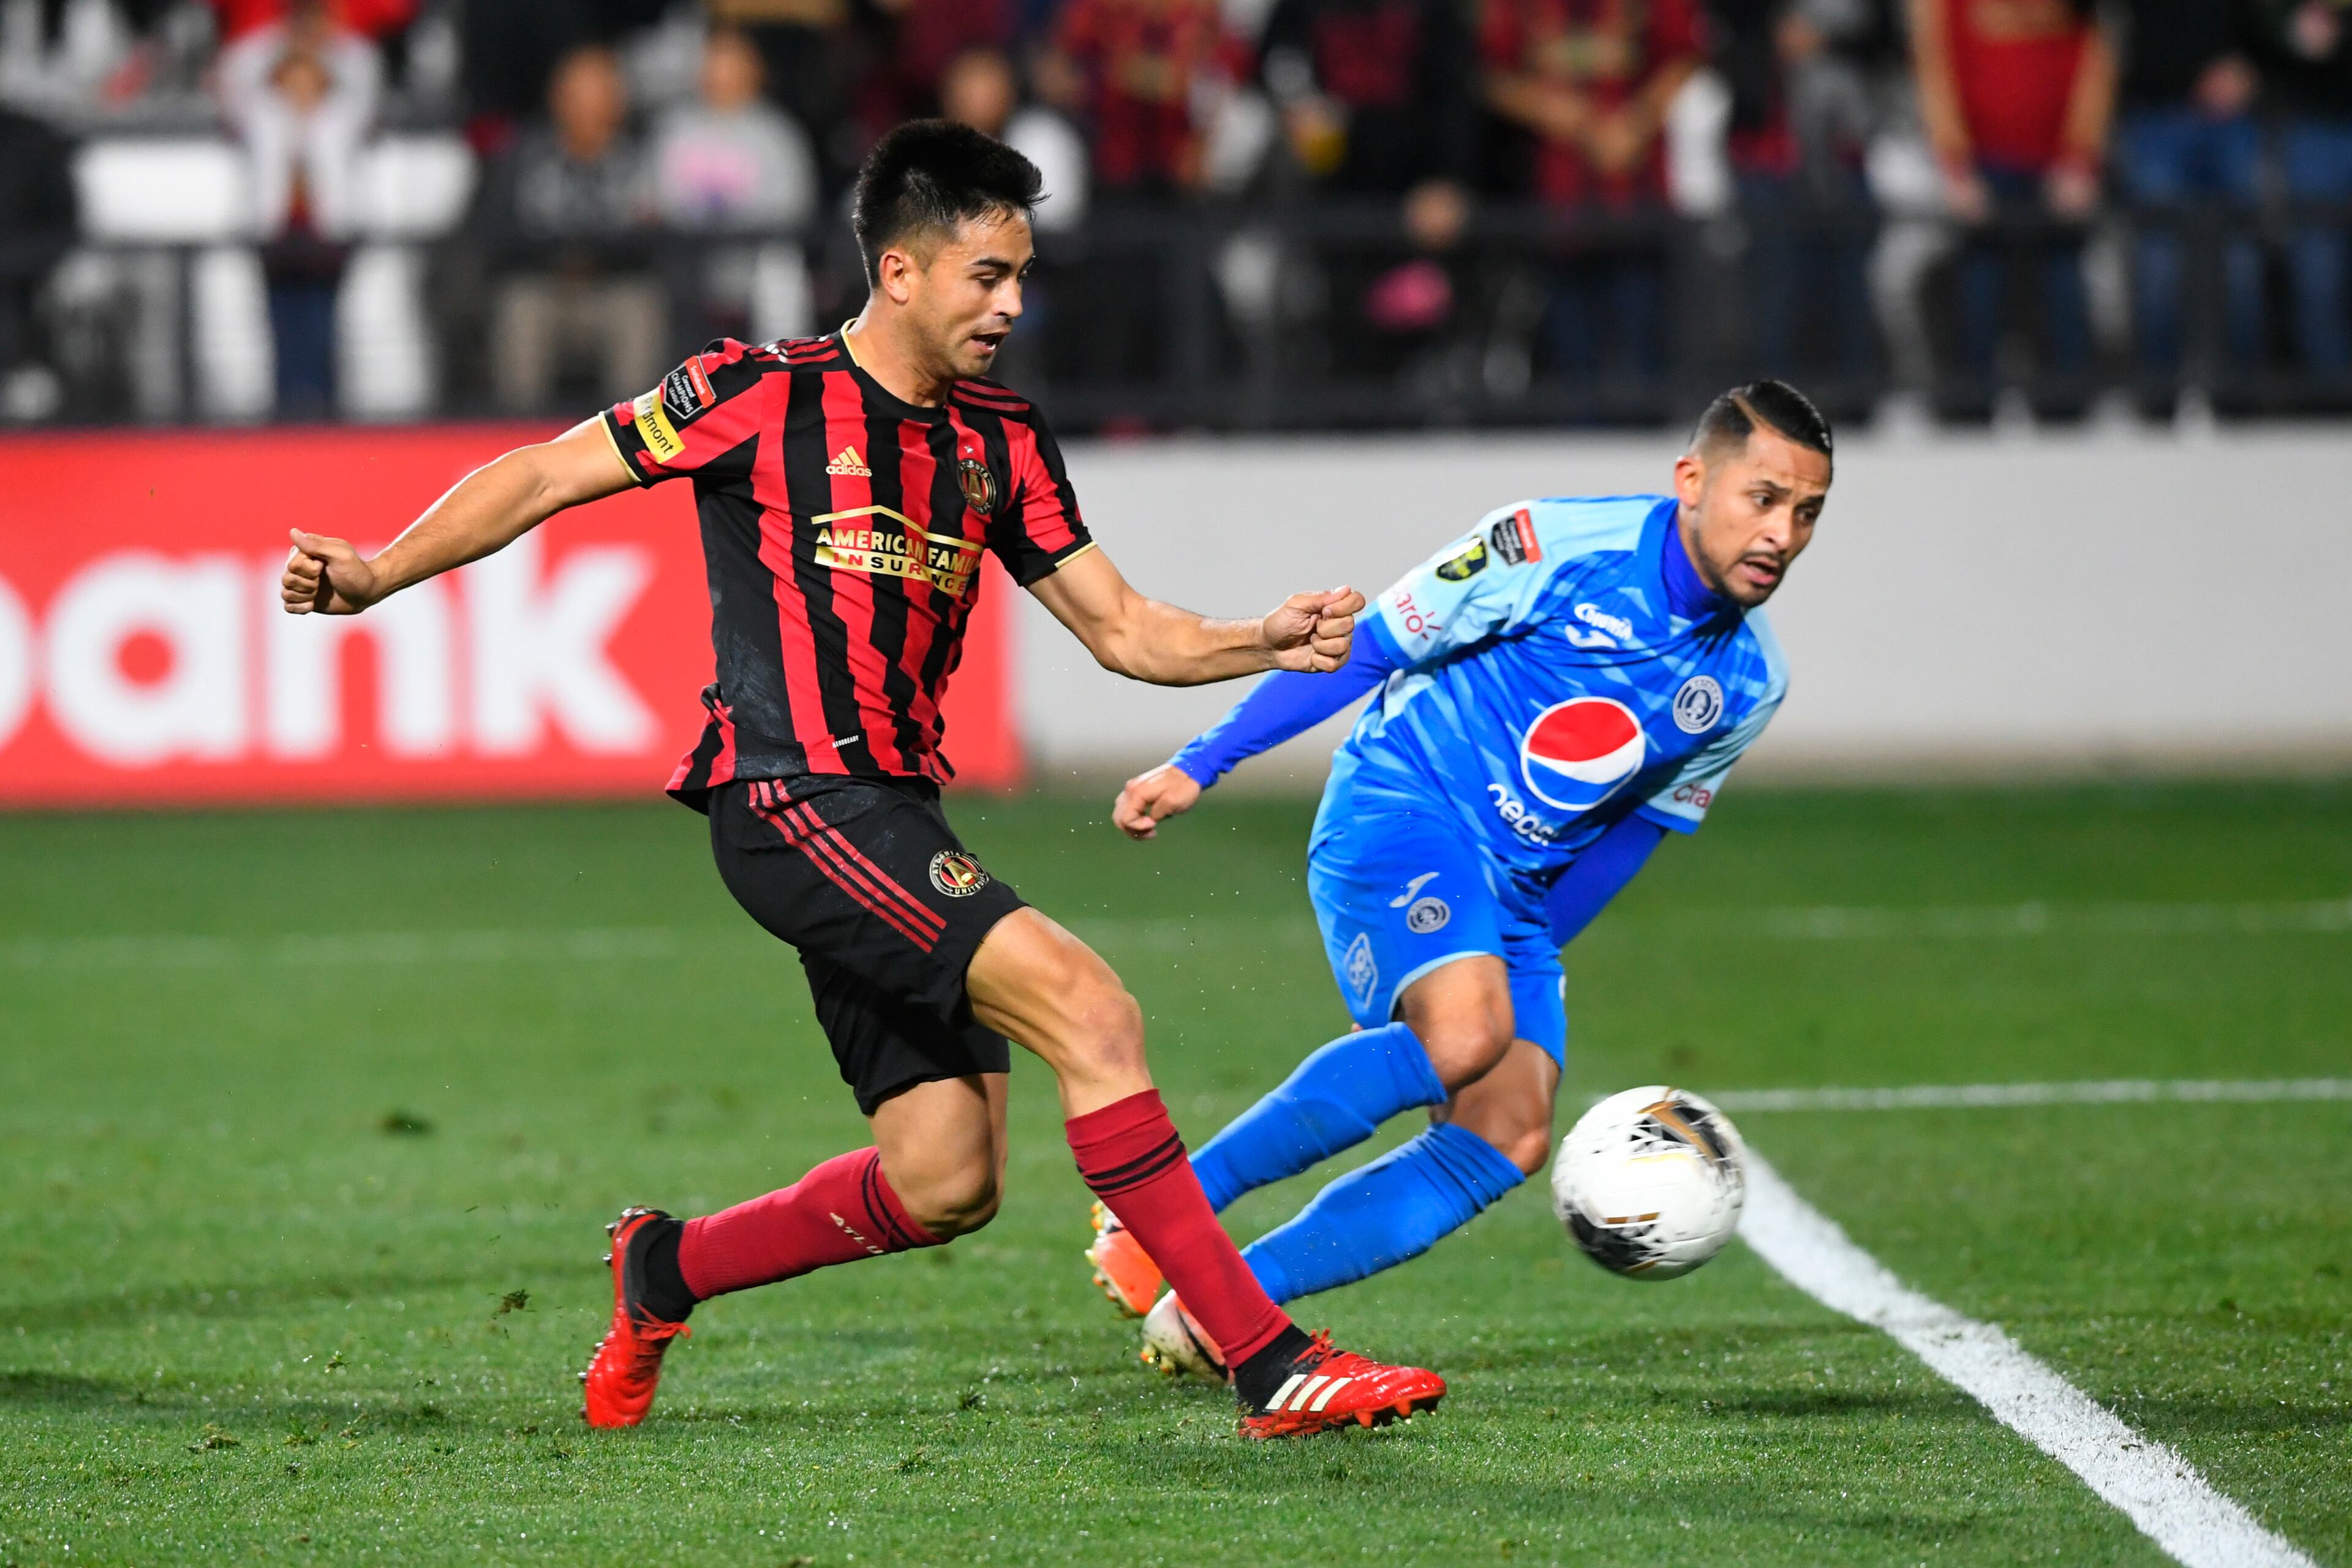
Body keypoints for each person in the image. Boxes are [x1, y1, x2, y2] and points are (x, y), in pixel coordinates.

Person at [278, 121, 1446, 1441]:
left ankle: (665, 1264)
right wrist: (378, 572)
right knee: (1092, 1010)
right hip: (788, 793)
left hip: (896, 810)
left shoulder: (1000, 440)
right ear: (900, 270)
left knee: (948, 1179)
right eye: (986, 276)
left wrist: (1257, 638)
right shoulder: (754, 391)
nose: (1012, 304)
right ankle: (1268, 1359)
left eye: (1021, 277)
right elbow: (548, 471)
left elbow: (1123, 629)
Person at [1088, 381, 1827, 1373]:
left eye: (1808, 512)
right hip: (1403, 801)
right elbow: (1361, 652)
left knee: (1509, 1132)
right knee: (1465, 1033)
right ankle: (1158, 1217)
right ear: (1693, 481)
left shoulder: (1748, 679)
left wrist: (1524, 950)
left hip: (1514, 889)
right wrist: (1200, 764)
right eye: (1764, 497)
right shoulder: (1550, 546)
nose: (1782, 531)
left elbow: (1635, 831)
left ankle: (1224, 1307)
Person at [1480, 0, 1705, 394]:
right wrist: (1556, 113)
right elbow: (1491, 72)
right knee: (1569, 366)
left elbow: (1684, 56)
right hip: (1555, 206)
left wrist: (1636, 121)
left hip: (1637, 201)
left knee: (1642, 358)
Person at [1910, 0, 2116, 415]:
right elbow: (1935, 63)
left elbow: (2097, 57)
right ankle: (1970, 411)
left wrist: (2081, 157)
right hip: (1981, 167)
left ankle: (2068, 410)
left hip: (2059, 168)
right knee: (1978, 294)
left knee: (2061, 293)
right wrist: (1955, 165)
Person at [472, 43, 665, 415]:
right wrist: (562, 257)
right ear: (558, 98)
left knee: (639, 308)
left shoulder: (641, 159)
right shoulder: (526, 157)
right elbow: (498, 234)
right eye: (580, 93)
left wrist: (594, 257)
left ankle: (635, 445)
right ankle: (517, 439)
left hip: (615, 287)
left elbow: (655, 240)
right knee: (520, 307)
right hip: (545, 285)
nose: (590, 106)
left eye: (602, 92)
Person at [217, 0, 380, 417]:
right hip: (275, 224)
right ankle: (284, 410)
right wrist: (285, 50)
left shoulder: (344, 95)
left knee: (325, 322)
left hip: (329, 224)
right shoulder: (263, 104)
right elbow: (235, 81)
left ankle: (327, 409)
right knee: (279, 321)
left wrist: (320, 52)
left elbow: (364, 90)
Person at [2111, 0, 2265, 405]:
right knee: (2158, 263)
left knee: (2240, 261)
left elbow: (2265, 23)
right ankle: (2158, 395)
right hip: (2155, 112)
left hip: (2230, 116)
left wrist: (2247, 68)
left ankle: (2240, 395)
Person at [652, 25, 820, 344]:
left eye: (732, 62)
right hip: (688, 264)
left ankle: (782, 376)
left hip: (755, 266)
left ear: (754, 70)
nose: (720, 72)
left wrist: (732, 224)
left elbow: (794, 210)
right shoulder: (674, 129)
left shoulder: (778, 133)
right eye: (713, 61)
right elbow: (657, 202)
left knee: (782, 270)